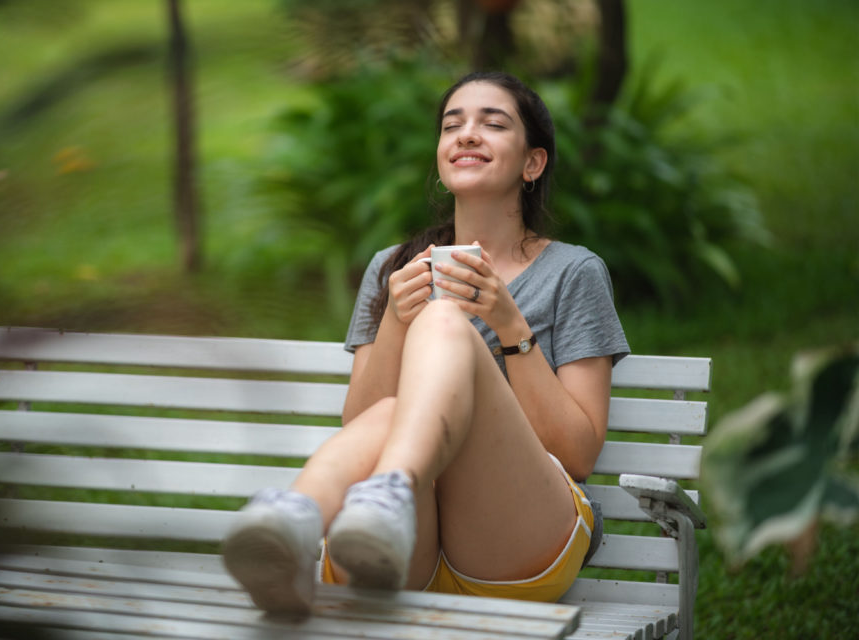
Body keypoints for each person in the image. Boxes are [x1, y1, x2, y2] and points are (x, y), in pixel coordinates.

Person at [221, 70, 630, 615]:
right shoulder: (392, 269)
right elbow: (365, 419)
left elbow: (577, 454)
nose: (465, 134)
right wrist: (394, 319)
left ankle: (312, 505)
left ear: (533, 163)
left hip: (519, 544)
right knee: (414, 369)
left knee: (442, 322)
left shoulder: (573, 272)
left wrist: (510, 327)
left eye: (493, 123)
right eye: (452, 124)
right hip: (391, 550)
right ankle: (294, 524)